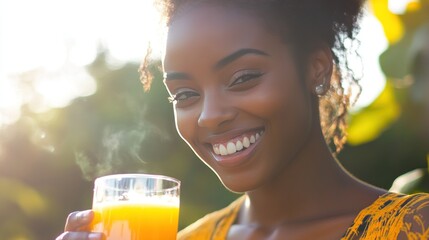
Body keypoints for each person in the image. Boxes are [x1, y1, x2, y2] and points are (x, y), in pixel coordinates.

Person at [56, 0, 429, 239]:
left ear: (316, 69)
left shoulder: (414, 229)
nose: (210, 116)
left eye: (243, 78)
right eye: (185, 95)